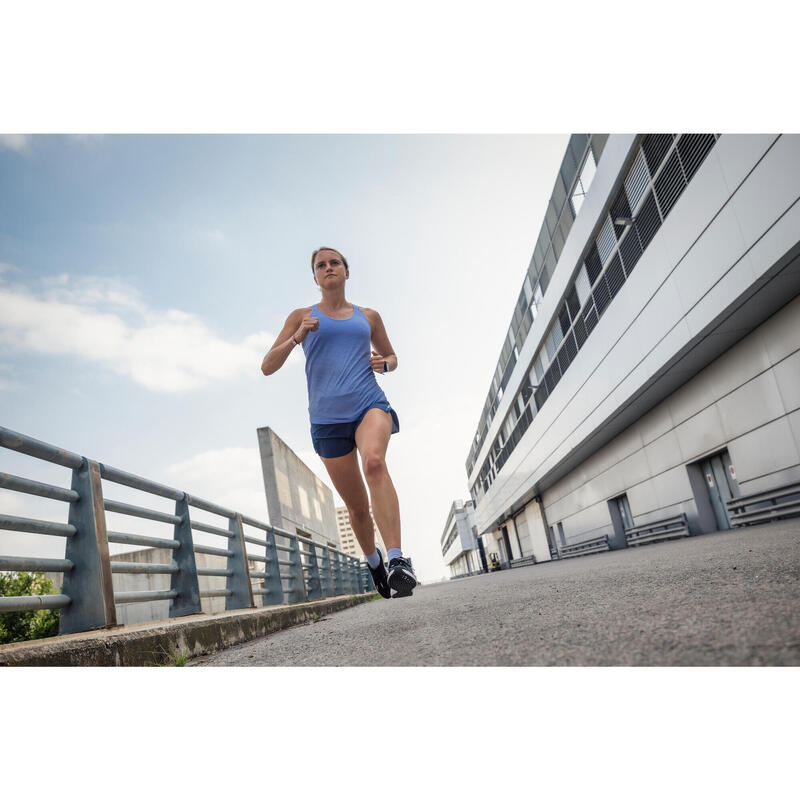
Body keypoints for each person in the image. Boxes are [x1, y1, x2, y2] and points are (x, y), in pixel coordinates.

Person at [261, 246, 417, 599]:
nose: (328, 268)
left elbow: (392, 355)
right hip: (327, 420)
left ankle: (397, 560)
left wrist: (386, 364)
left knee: (375, 463)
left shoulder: (369, 316)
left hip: (368, 403)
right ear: (315, 277)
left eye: (335, 263)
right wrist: (297, 336)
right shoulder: (300, 316)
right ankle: (373, 560)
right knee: (358, 508)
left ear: (347, 272)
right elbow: (268, 365)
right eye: (321, 265)